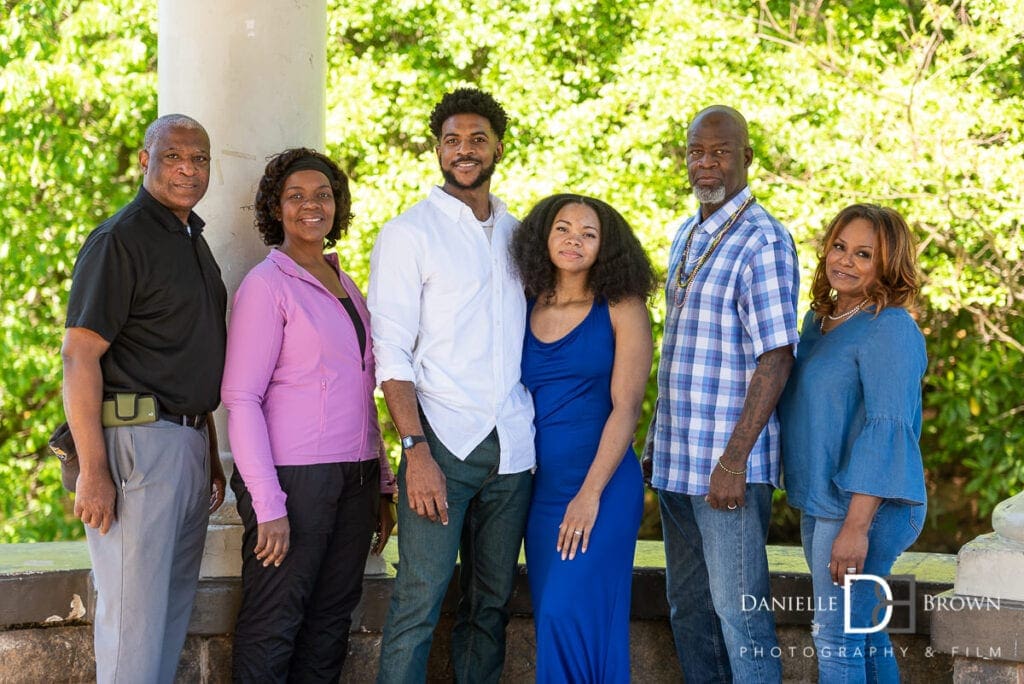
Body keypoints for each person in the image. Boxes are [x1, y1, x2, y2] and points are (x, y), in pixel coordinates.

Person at [368, 87, 535, 683]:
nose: (464, 151)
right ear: (437, 150)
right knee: (418, 601)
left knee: (490, 605)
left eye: (477, 139)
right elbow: (390, 354)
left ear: (497, 147)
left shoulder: (523, 234)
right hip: (438, 443)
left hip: (513, 448)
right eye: (452, 140)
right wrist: (415, 450)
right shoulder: (407, 235)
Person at [61, 113, 227, 683]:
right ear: (145, 161)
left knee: (164, 626)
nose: (188, 168)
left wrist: (205, 453)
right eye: (174, 156)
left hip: (182, 444)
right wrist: (93, 471)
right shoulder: (120, 239)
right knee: (132, 634)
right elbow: (79, 355)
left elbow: (187, 358)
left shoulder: (191, 239)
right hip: (134, 448)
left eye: (199, 158)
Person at [220, 148, 397, 682]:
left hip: (355, 477)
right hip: (294, 482)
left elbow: (364, 389)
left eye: (322, 194)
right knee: (275, 622)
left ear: (338, 205)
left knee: (329, 624)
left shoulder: (347, 284)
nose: (310, 205)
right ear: (276, 209)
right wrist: (269, 504)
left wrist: (383, 483)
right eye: (295, 196)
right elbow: (241, 397)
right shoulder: (266, 285)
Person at [646, 105, 799, 683]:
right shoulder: (688, 233)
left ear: (747, 158)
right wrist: (656, 443)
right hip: (677, 466)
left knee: (741, 617)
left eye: (721, 152)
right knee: (689, 610)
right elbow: (686, 353)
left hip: (726, 470)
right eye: (696, 151)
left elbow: (776, 356)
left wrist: (733, 461)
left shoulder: (763, 239)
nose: (706, 163)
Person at [510, 193, 655, 682]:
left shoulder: (621, 306)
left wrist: (589, 495)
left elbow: (627, 409)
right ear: (543, 237)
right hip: (542, 492)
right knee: (553, 616)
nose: (574, 240)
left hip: (602, 487)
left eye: (588, 234)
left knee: (570, 613)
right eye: (564, 229)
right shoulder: (524, 304)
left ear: (605, 247)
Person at [779, 204, 927, 681]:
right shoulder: (817, 322)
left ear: (888, 265)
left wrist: (856, 527)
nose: (844, 260)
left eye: (864, 254)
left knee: (835, 636)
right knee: (862, 630)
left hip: (866, 505)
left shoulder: (891, 327)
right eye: (839, 247)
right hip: (822, 499)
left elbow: (888, 429)